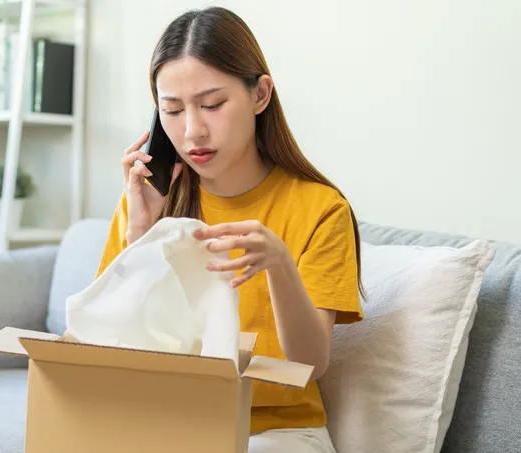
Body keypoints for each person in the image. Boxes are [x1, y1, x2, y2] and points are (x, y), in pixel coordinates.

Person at [95, 6, 364, 453]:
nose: (193, 130)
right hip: (167, 426)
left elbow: (309, 364)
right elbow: (106, 345)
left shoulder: (320, 209)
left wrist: (278, 263)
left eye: (213, 104)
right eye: (173, 110)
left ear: (260, 95)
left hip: (275, 434)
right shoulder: (146, 204)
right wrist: (139, 238)